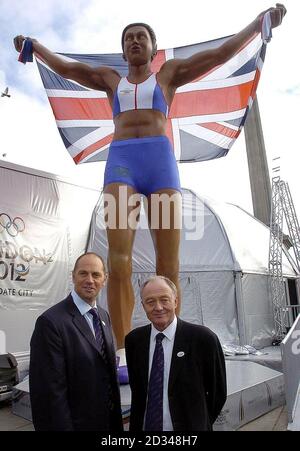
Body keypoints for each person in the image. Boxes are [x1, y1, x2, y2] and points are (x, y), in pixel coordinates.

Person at [13, 4, 286, 360]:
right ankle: (124, 349)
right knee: (119, 260)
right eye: (128, 38)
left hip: (161, 166)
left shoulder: (169, 74)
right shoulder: (111, 80)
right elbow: (68, 68)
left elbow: (219, 54)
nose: (134, 41)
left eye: (141, 36)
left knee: (168, 262)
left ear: (153, 49)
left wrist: (257, 24)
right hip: (122, 164)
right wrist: (36, 46)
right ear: (124, 50)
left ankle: (172, 341)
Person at [29, 252, 123, 431]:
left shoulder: (103, 316)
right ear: (73, 276)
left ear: (105, 279)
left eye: (96, 275)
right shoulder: (51, 323)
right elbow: (49, 394)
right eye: (83, 273)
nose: (90, 280)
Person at [125, 275, 227, 431]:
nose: (158, 307)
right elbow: (137, 391)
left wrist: (198, 423)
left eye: (164, 299)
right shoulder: (134, 341)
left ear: (176, 301)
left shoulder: (203, 339)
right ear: (143, 305)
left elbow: (217, 393)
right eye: (150, 302)